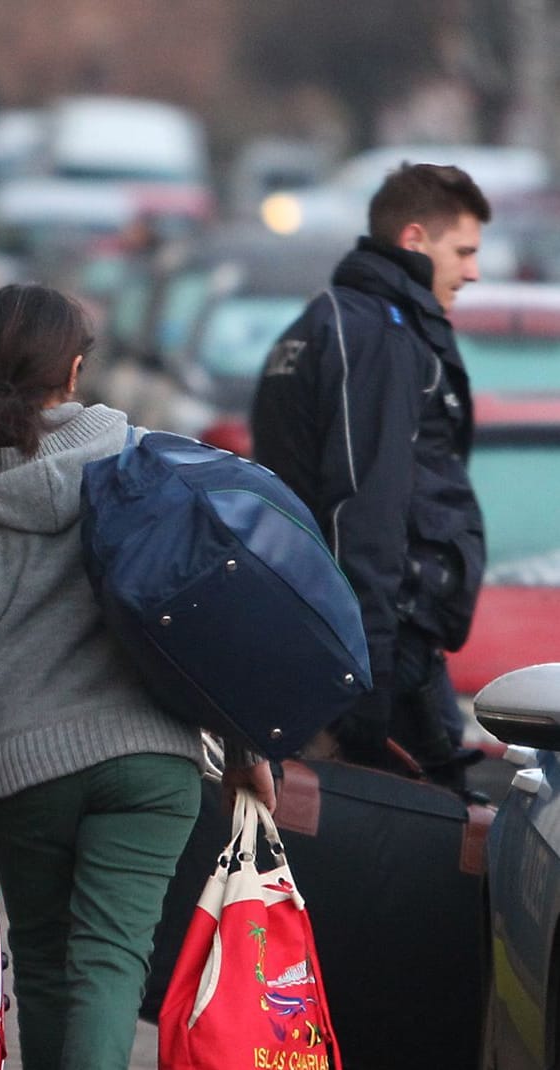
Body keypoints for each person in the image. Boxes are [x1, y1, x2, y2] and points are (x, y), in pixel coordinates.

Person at [0, 283, 274, 1070]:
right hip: (146, 759)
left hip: (23, 772)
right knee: (108, 967)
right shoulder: (137, 455)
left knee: (49, 970)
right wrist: (242, 746)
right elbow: (202, 620)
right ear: (77, 367)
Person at [250, 162, 488, 788]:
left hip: (341, 646)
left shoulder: (325, 324)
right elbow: (362, 514)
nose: (473, 271)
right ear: (413, 239)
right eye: (462, 251)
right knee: (439, 865)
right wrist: (368, 691)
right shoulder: (376, 335)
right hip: (381, 660)